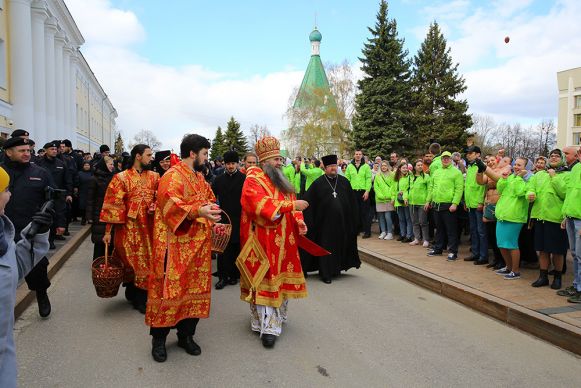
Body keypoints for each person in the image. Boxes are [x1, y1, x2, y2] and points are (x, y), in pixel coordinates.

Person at [145, 134, 222, 362]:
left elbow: (210, 199)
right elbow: (170, 205)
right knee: (168, 294)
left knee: (193, 293)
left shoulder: (199, 178)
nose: (206, 158)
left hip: (197, 250)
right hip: (174, 248)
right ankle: (158, 340)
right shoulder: (172, 176)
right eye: (205, 154)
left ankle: (186, 335)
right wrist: (198, 211)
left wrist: (215, 214)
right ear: (193, 153)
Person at [239, 136, 308, 348]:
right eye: (276, 159)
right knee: (265, 280)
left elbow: (290, 201)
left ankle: (277, 318)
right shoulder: (253, 180)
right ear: (265, 161)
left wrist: (299, 221)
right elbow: (259, 207)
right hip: (263, 240)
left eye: (280, 159)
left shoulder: (281, 178)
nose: (280, 162)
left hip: (284, 241)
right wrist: (291, 207)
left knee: (280, 280)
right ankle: (267, 327)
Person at [0, 166, 52, 388]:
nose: (10, 195)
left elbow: (14, 270)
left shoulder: (3, 234)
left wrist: (38, 232)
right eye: (5, 189)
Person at [1, 137, 62, 318]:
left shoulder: (40, 173)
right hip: (4, 231)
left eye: (28, 150)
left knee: (37, 268)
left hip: (31, 231)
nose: (27, 154)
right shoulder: (1, 172)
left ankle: (41, 294)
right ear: (8, 152)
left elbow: (53, 199)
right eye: (22, 151)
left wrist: (59, 223)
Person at [100, 144, 159, 313]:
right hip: (128, 229)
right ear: (138, 156)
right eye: (148, 155)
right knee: (131, 261)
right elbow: (112, 205)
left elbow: (160, 197)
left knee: (148, 260)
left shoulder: (155, 177)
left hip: (149, 227)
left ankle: (141, 295)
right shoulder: (121, 178)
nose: (151, 158)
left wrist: (154, 205)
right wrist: (107, 232)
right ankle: (136, 294)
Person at [301, 154, 360, 284]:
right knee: (326, 247)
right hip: (325, 225)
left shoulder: (344, 182)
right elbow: (307, 202)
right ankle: (325, 273)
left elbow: (352, 203)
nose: (334, 168)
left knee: (339, 245)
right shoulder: (318, 183)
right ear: (325, 168)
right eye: (330, 166)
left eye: (335, 166)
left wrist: (354, 220)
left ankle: (336, 269)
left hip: (341, 223)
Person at [479, 157, 529, 279]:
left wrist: (518, 178)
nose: (516, 167)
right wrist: (504, 179)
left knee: (511, 244)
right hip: (502, 215)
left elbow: (520, 192)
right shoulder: (512, 177)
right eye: (515, 164)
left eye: (520, 165)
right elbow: (500, 189)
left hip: (514, 217)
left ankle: (515, 271)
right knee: (501, 244)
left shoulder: (526, 179)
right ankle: (508, 267)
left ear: (525, 168)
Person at [527, 150, 569, 289]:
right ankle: (543, 276)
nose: (554, 158)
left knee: (557, 251)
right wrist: (530, 194)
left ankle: (557, 277)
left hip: (556, 218)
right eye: (551, 156)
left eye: (557, 156)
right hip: (540, 217)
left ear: (562, 159)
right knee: (542, 250)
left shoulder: (566, 175)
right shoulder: (539, 174)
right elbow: (530, 188)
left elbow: (564, 193)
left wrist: (554, 177)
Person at [211, 150, 245, 289]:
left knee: (236, 247)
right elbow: (212, 197)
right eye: (228, 164)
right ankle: (223, 277)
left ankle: (234, 275)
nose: (230, 166)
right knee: (223, 247)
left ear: (237, 163)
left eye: (233, 163)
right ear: (224, 164)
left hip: (239, 218)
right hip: (223, 218)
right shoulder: (218, 180)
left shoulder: (244, 179)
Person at [553, 146, 581, 302]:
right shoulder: (576, 168)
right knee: (576, 255)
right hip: (571, 216)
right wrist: (565, 215)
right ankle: (577, 285)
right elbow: (570, 193)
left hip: (580, 219)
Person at [426, 151, 464, 261]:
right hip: (436, 204)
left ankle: (453, 251)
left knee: (451, 230)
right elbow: (431, 187)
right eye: (444, 158)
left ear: (451, 159)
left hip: (449, 205)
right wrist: (428, 200)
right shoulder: (436, 172)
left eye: (447, 158)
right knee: (439, 228)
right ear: (441, 159)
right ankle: (438, 248)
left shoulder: (456, 173)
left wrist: (455, 203)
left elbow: (459, 189)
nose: (445, 160)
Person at [36, 142, 73, 247]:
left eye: (55, 149)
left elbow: (67, 180)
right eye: (52, 149)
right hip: (42, 194)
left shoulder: (61, 164)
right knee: (43, 216)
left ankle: (51, 239)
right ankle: (44, 239)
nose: (54, 151)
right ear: (46, 150)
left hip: (57, 194)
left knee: (56, 216)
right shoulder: (39, 163)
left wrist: (69, 193)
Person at [86, 156, 115, 260]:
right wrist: (89, 216)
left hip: (111, 212)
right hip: (99, 213)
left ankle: (109, 263)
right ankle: (98, 263)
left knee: (110, 238)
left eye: (113, 164)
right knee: (99, 240)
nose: (112, 166)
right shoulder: (94, 179)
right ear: (104, 165)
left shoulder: (114, 177)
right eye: (110, 164)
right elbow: (90, 199)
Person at [464, 146, 488, 265]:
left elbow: (482, 186)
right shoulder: (470, 166)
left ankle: (483, 255)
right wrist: (466, 202)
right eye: (467, 153)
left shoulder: (481, 166)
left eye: (471, 153)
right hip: (470, 203)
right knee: (473, 230)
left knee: (481, 231)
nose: (468, 155)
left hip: (477, 204)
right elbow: (468, 186)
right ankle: (475, 253)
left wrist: (480, 202)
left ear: (478, 154)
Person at [345, 150, 372, 238]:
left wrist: (367, 191)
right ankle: (356, 230)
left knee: (365, 213)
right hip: (353, 192)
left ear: (362, 156)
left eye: (359, 154)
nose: (358, 156)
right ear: (354, 155)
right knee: (354, 212)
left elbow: (368, 179)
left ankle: (367, 232)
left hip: (363, 192)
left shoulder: (366, 166)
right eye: (356, 154)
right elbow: (347, 179)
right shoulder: (349, 166)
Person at [407, 159, 430, 247]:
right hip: (412, 203)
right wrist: (406, 197)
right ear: (415, 167)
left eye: (421, 165)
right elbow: (406, 189)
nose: (420, 166)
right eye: (418, 165)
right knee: (414, 222)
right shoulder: (410, 177)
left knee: (423, 222)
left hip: (422, 203)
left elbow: (429, 189)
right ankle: (417, 238)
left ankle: (426, 239)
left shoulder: (426, 176)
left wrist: (427, 201)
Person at [392, 161, 413, 243]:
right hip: (398, 201)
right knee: (401, 219)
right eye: (403, 168)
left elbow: (410, 188)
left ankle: (409, 236)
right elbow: (393, 189)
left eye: (406, 168)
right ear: (399, 169)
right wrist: (393, 198)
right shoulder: (396, 178)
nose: (405, 169)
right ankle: (403, 234)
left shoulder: (409, 177)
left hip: (406, 200)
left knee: (408, 218)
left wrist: (405, 196)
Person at [374, 161, 394, 240]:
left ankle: (390, 232)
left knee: (388, 216)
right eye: (382, 166)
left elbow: (393, 186)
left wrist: (390, 196)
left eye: (385, 166)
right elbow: (376, 187)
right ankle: (383, 231)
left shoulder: (392, 175)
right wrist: (380, 196)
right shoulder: (377, 175)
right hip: (380, 199)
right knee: (381, 216)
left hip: (389, 199)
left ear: (388, 166)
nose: (384, 167)